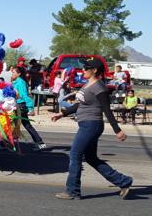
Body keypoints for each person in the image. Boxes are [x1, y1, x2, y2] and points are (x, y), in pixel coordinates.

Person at [50, 57, 132, 200]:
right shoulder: (88, 85)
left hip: (91, 125)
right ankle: (123, 181)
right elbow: (79, 104)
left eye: (86, 68)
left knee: (75, 155)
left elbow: (107, 110)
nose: (83, 70)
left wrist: (117, 130)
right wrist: (62, 114)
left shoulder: (99, 87)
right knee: (91, 158)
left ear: (94, 70)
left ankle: (72, 191)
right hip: (86, 124)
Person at [12, 66, 46, 149]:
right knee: (19, 125)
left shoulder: (20, 82)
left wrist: (31, 108)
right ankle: (40, 142)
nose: (12, 74)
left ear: (19, 74)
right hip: (18, 106)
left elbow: (24, 96)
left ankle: (40, 143)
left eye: (13, 72)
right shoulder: (17, 82)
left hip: (21, 106)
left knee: (16, 124)